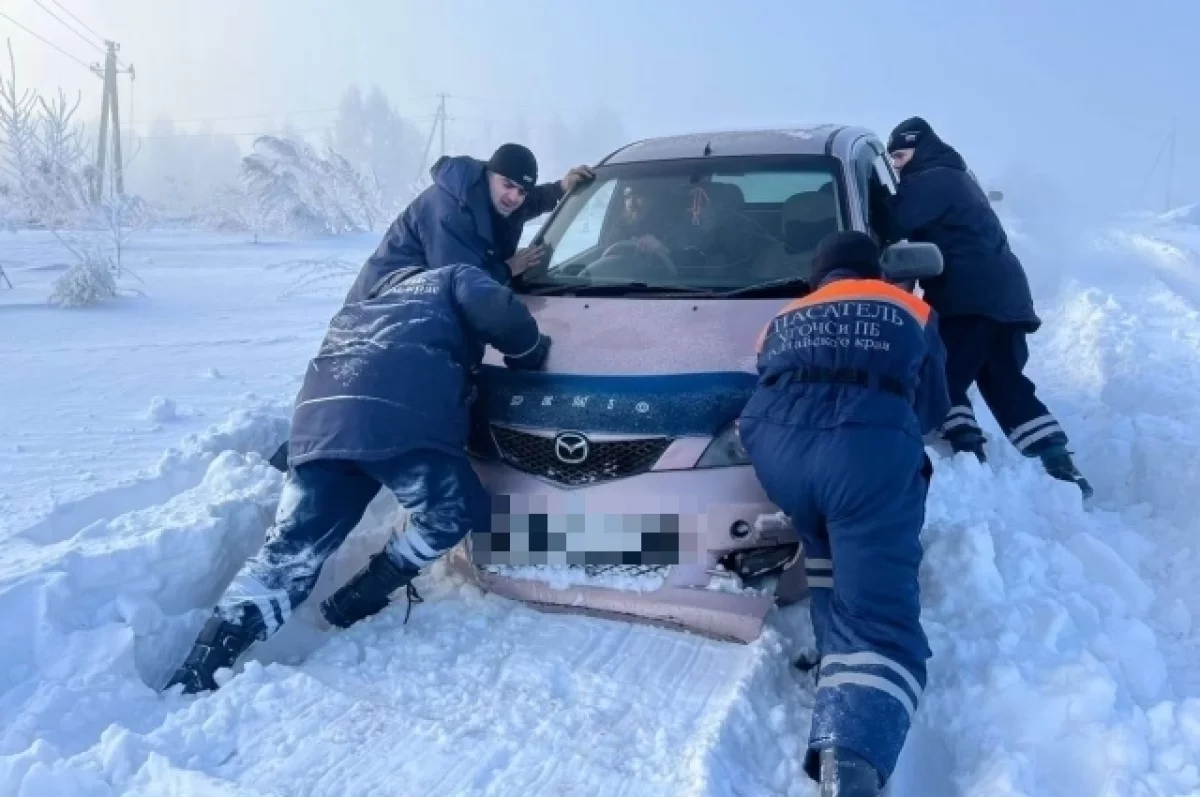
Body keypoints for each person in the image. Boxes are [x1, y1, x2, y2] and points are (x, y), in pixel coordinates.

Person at [164, 260, 552, 694]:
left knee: (288, 554)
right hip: (400, 420)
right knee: (454, 509)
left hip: (320, 426)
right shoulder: (452, 276)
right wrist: (529, 350)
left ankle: (200, 668)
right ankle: (360, 596)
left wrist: (292, 452)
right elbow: (494, 305)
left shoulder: (364, 306)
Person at [737, 231, 951, 796]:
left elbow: (765, 377)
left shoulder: (786, 315)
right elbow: (933, 404)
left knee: (828, 548)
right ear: (873, 271)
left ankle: (834, 649)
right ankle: (849, 763)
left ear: (819, 276)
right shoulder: (909, 306)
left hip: (777, 450)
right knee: (879, 612)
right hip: (861, 450)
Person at [884, 116, 1093, 499]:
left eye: (900, 155)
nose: (897, 164)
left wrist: (872, 194)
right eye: (892, 159)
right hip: (1005, 298)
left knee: (941, 373)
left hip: (970, 298)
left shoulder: (932, 177)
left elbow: (895, 220)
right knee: (1003, 380)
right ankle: (1058, 460)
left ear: (920, 147)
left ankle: (965, 451)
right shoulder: (958, 178)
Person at [344, 143, 594, 304]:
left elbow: (529, 202)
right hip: (377, 307)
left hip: (415, 305)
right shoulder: (451, 210)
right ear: (488, 174)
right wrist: (507, 268)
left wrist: (561, 188)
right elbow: (460, 288)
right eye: (508, 185)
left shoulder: (493, 199)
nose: (514, 197)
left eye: (522, 191)